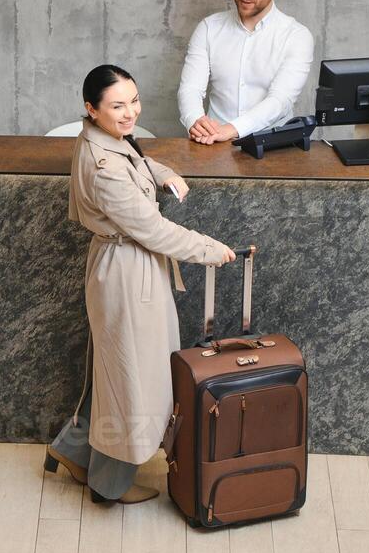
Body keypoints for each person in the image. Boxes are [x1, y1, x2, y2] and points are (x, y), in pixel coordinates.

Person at [46, 65, 236, 505]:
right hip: (128, 271)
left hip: (127, 265)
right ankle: (107, 487)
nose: (130, 113)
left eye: (134, 101)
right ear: (91, 109)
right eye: (117, 105)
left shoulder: (99, 138)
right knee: (133, 381)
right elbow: (153, 230)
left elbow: (132, 157)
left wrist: (162, 170)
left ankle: (72, 450)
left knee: (115, 370)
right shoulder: (103, 165)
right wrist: (211, 250)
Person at [177, 0, 315, 145]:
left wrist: (231, 130)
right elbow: (190, 89)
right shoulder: (209, 28)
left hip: (272, 148)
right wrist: (196, 122)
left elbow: (280, 100)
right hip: (213, 144)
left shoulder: (297, 36)